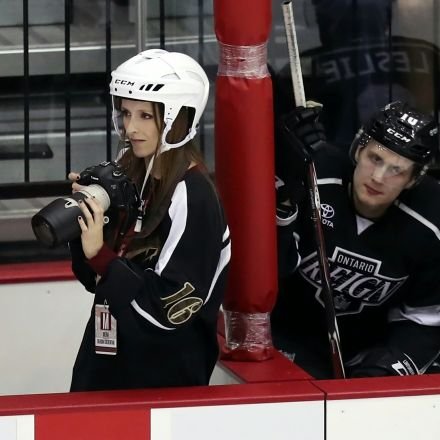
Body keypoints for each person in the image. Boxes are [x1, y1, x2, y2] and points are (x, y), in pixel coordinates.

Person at [67, 49, 231, 391]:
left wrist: (101, 256)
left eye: (146, 115)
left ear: (179, 119)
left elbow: (166, 310)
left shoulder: (193, 195)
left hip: (160, 381)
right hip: (104, 363)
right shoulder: (128, 171)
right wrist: (84, 222)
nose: (130, 128)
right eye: (126, 113)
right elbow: (93, 279)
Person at [272, 100, 440, 378]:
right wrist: (282, 180)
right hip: (286, 338)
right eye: (375, 159)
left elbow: (425, 319)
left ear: (413, 180)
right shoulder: (313, 174)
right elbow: (273, 267)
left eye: (396, 170)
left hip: (366, 351)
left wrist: (388, 365)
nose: (377, 177)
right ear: (358, 150)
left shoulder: (431, 221)